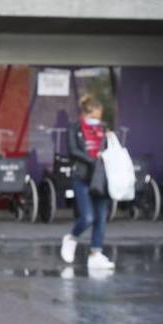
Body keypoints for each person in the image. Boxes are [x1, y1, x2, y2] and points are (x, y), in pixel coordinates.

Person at [60, 94, 115, 272]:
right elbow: (73, 151)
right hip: (82, 177)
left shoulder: (104, 129)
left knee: (101, 217)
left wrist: (110, 141)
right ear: (87, 113)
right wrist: (92, 160)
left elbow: (109, 151)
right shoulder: (74, 128)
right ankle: (71, 238)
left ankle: (96, 254)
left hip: (101, 178)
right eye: (94, 117)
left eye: (99, 118)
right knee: (88, 217)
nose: (97, 121)